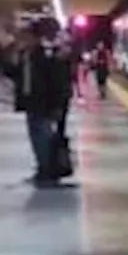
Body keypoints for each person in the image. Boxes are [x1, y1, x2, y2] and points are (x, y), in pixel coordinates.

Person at [3, 16, 75, 186]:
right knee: (37, 137)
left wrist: (58, 106)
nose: (21, 39)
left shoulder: (45, 55)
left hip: (43, 103)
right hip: (31, 103)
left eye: (25, 36)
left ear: (34, 37)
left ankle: (47, 170)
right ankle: (43, 168)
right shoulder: (25, 55)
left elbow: (56, 81)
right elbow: (14, 74)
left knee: (43, 137)